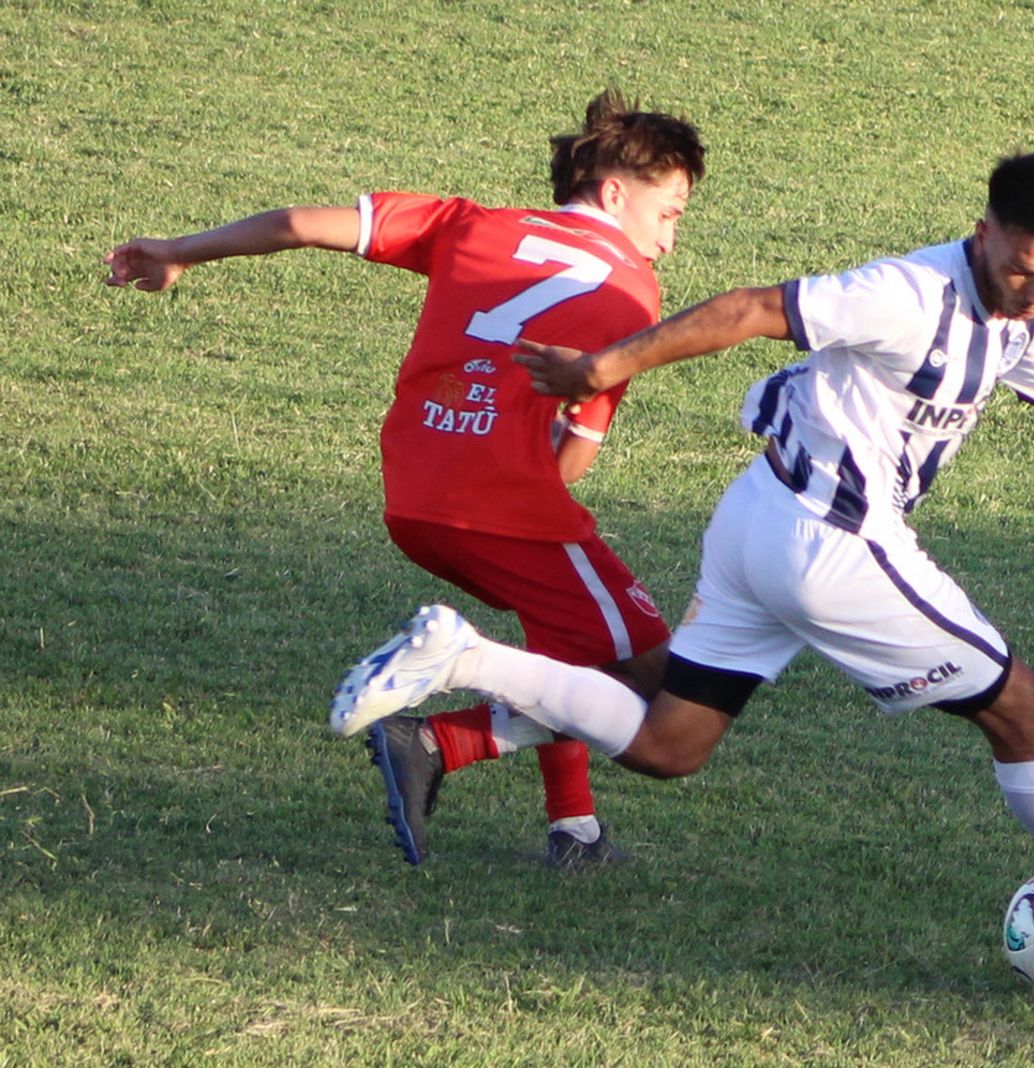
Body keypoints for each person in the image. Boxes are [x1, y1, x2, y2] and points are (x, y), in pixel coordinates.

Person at [338, 152, 1034, 936]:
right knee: (1027, 709)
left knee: (669, 744)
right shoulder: (905, 294)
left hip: (761, 525)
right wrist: (603, 366)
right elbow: (749, 309)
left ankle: (467, 657)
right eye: (1024, 268)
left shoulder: (1032, 316)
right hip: (832, 541)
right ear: (982, 234)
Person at [104, 89, 706, 870]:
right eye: (671, 212)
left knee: (563, 647)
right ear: (616, 193)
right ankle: (437, 737)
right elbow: (577, 453)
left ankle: (575, 833)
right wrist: (537, 500)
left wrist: (179, 250)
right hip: (501, 507)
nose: (671, 237)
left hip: (414, 500)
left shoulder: (469, 223)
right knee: (671, 702)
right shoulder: (631, 291)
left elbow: (297, 224)